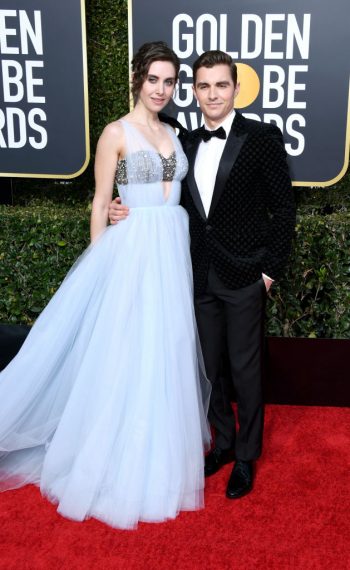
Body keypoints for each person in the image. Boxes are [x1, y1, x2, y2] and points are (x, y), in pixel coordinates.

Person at [0, 41, 211, 530]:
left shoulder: (175, 132)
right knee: (123, 350)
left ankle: (159, 455)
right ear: (137, 78)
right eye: (153, 78)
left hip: (170, 248)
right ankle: (108, 457)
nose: (161, 89)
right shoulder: (116, 132)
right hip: (131, 253)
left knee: (165, 349)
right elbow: (100, 203)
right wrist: (100, 265)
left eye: (170, 81)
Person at [109, 50, 296, 500]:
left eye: (221, 85)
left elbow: (285, 209)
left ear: (235, 88)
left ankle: (247, 457)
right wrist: (121, 210)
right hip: (196, 274)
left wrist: (269, 271)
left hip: (246, 274)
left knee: (246, 370)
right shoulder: (182, 141)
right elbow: (162, 197)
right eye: (204, 86)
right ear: (194, 91)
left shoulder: (262, 138)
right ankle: (223, 444)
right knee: (208, 369)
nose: (213, 94)